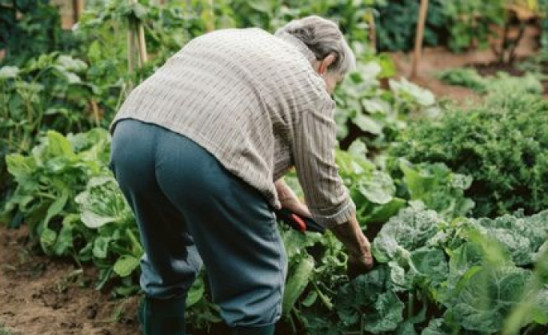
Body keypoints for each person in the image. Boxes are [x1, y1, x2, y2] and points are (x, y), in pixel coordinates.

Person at [108, 15, 374, 335]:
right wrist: (360, 251)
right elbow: (325, 191)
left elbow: (217, 119)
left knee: (167, 262)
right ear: (326, 62)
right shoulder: (309, 84)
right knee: (256, 285)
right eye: (336, 82)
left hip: (130, 138)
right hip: (198, 162)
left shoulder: (230, 38)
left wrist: (284, 197)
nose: (331, 90)